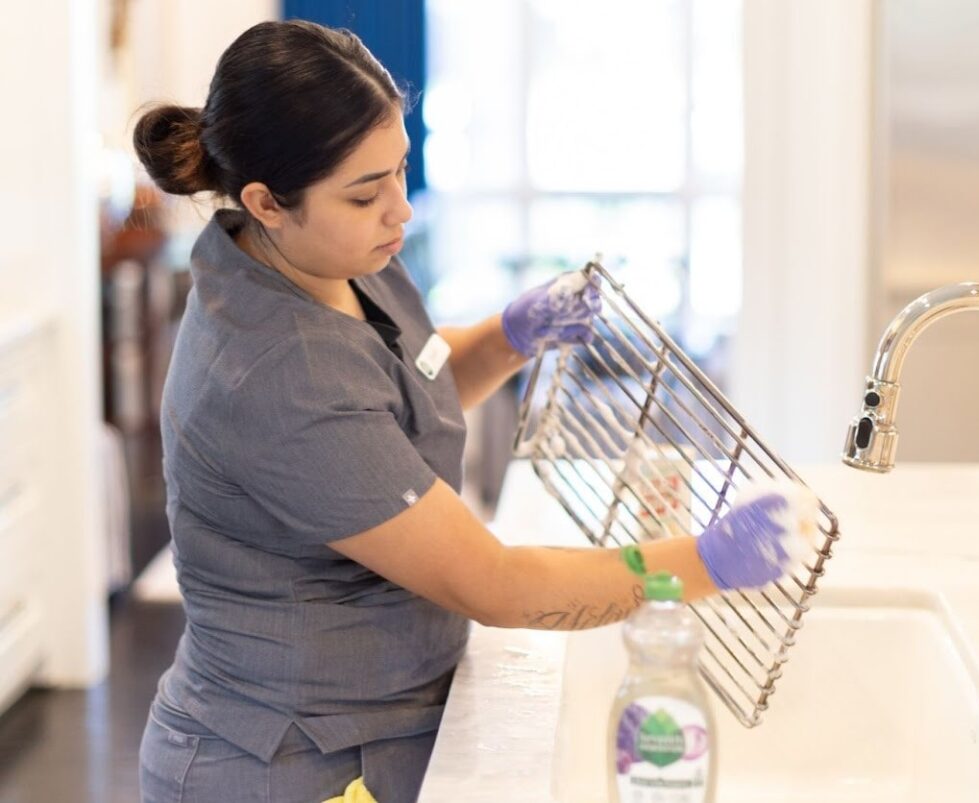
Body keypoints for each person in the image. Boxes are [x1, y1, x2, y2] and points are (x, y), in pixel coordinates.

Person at [132, 20, 814, 803]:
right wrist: (705, 564)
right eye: (365, 192)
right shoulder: (275, 374)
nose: (401, 210)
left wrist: (507, 336)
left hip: (377, 719)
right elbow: (496, 583)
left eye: (400, 170)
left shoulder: (330, 256)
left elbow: (393, 395)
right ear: (266, 201)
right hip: (285, 763)